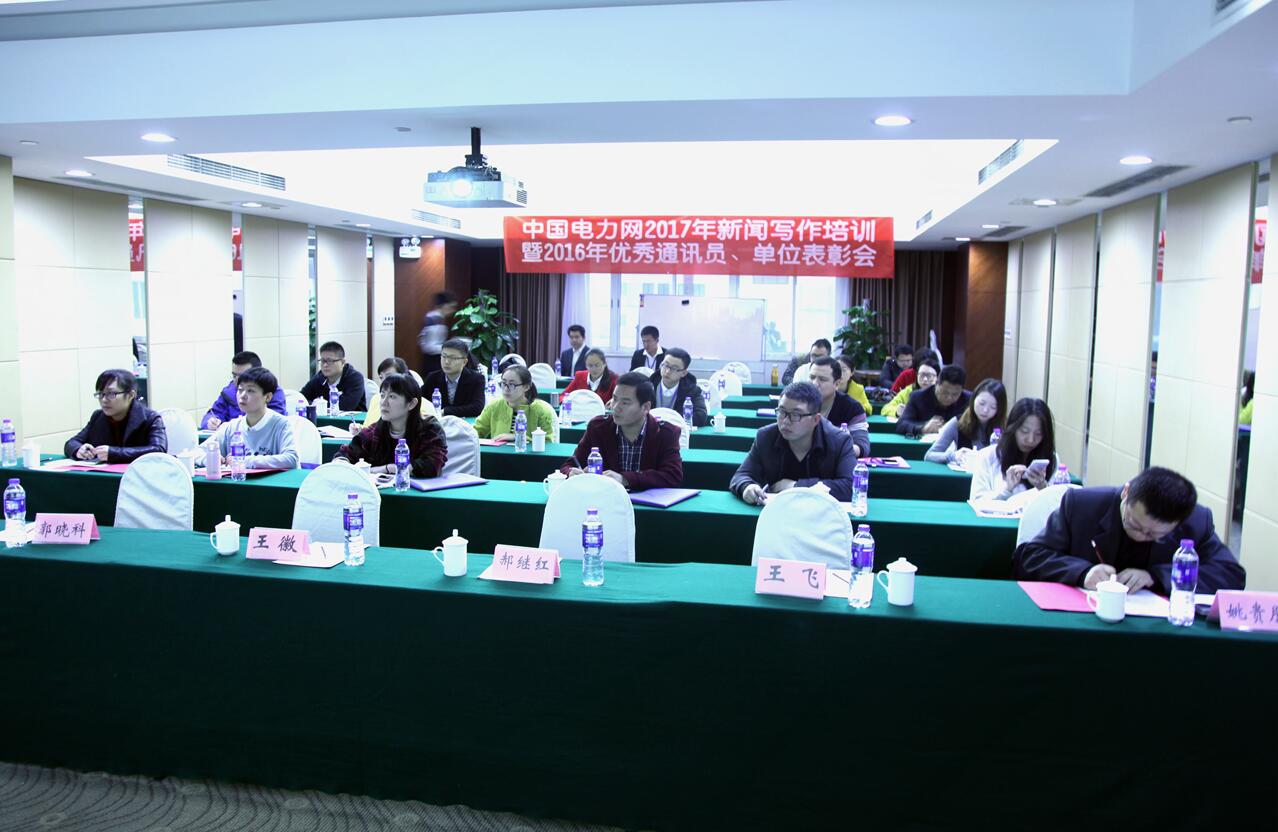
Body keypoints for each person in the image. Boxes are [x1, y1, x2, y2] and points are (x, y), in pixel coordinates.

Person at [1013, 466, 1246, 594]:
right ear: (1126, 493)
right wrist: (1083, 573)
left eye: (1154, 535)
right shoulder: (1082, 505)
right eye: (1134, 524)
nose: (1141, 536)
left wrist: (1157, 577)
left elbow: (1231, 575)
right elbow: (1028, 557)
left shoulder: (1196, 521)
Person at [730, 381, 858, 504]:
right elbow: (741, 475)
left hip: (822, 513)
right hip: (778, 512)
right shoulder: (766, 436)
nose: (785, 421)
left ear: (816, 419)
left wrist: (796, 486)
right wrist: (747, 487)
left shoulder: (839, 441)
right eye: (782, 412)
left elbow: (850, 486)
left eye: (796, 415)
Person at [560, 371, 683, 491]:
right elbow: (569, 465)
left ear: (646, 407)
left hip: (649, 503)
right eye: (614, 399)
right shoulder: (598, 428)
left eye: (625, 403)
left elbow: (673, 476)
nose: (616, 407)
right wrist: (571, 472)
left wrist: (626, 479)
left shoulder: (666, 433)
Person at [336, 373, 448, 478]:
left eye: (392, 396)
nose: (384, 402)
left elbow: (431, 465)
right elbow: (346, 454)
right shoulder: (376, 430)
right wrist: (340, 463)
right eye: (382, 395)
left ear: (411, 403)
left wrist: (387, 469)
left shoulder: (430, 429)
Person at [65, 369, 167, 463]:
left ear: (131, 395)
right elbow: (72, 443)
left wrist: (115, 453)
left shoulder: (151, 418)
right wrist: (78, 450)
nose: (104, 400)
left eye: (111, 394)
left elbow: (159, 449)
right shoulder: (98, 416)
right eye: (100, 394)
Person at [968, 397, 1058, 502]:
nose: (1031, 440)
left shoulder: (1051, 459)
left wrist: (1043, 488)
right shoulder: (988, 456)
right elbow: (976, 502)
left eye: (1038, 433)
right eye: (1024, 431)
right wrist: (1006, 490)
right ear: (1012, 428)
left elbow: (1057, 505)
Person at [208, 367, 298, 469]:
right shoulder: (232, 426)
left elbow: (291, 459)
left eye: (250, 391)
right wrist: (212, 458)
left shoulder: (281, 424)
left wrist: (245, 461)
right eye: (240, 390)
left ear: (268, 397)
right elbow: (198, 452)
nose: (242, 395)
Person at [925, 378, 1007, 466]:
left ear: (1000, 409)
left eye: (993, 407)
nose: (985, 410)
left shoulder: (1005, 427)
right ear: (973, 400)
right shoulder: (957, 423)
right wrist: (953, 456)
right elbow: (929, 455)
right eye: (982, 403)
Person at [202, 350, 287, 430]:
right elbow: (213, 414)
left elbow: (275, 422)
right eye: (234, 376)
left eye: (242, 376)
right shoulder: (229, 392)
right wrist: (211, 422)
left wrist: (238, 426)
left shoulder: (271, 391)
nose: (237, 380)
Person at [474, 364, 557, 441]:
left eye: (511, 385)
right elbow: (475, 433)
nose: (506, 389)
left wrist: (519, 438)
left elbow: (548, 443)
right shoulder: (494, 406)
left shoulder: (541, 410)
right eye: (503, 383)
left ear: (526, 387)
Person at [808, 357, 870, 458]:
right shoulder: (797, 403)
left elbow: (862, 446)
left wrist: (838, 448)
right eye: (812, 377)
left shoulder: (852, 407)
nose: (815, 383)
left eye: (822, 379)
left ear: (837, 384)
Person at [896, 365, 970, 437]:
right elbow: (901, 424)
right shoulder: (918, 397)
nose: (949, 398)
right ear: (936, 384)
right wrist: (923, 428)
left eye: (955, 394)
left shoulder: (969, 399)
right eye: (945, 392)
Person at [422, 338, 485, 419]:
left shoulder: (476, 379)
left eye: (453, 358)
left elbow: (477, 407)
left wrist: (445, 411)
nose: (447, 362)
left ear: (464, 362)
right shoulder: (433, 377)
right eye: (444, 356)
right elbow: (421, 400)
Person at [363, 357, 433, 427]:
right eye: (381, 377)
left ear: (404, 376)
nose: (384, 381)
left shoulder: (425, 405)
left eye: (389, 376)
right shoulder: (376, 399)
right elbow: (367, 427)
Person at [300, 341, 367, 412]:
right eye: (322, 361)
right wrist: (317, 405)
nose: (325, 365)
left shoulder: (355, 378)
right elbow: (300, 399)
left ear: (342, 362)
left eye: (329, 361)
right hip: (323, 418)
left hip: (352, 419)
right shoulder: (319, 378)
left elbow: (345, 406)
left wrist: (317, 405)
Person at [649, 347, 708, 427]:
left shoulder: (692, 390)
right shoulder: (649, 386)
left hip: (677, 432)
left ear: (684, 373)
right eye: (665, 365)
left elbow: (701, 416)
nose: (667, 371)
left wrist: (671, 420)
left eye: (674, 368)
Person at [418, 290, 458, 377]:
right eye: (451, 307)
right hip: (433, 362)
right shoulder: (434, 320)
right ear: (444, 305)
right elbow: (430, 347)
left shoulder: (436, 318)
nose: (453, 310)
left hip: (434, 360)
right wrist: (450, 346)